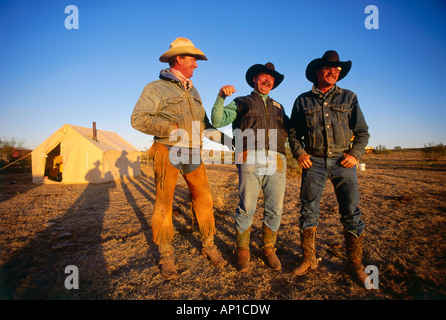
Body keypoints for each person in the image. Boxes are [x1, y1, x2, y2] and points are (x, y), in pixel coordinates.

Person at [131, 37, 230, 280]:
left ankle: (209, 245)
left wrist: (232, 142)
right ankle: (166, 254)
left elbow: (205, 126)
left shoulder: (193, 91)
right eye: (193, 59)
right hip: (168, 150)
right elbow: (138, 119)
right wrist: (169, 127)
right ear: (179, 59)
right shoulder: (154, 88)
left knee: (204, 198)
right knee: (164, 202)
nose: (196, 65)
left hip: (193, 151)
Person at [289, 50, 370, 285]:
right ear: (317, 71)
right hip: (313, 163)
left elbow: (362, 131)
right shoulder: (302, 101)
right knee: (308, 211)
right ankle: (309, 258)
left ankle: (354, 263)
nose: (333, 71)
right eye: (327, 67)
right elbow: (294, 133)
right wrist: (300, 152)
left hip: (343, 163)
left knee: (351, 212)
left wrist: (355, 154)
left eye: (337, 68)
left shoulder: (349, 97)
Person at [212, 62, 294, 272]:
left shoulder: (279, 107)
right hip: (250, 157)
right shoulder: (242, 102)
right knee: (247, 206)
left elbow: (292, 130)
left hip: (277, 160)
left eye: (271, 78)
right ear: (254, 79)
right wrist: (221, 96)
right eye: (264, 76)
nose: (268, 80)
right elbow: (217, 120)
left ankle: (268, 248)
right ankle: (243, 251)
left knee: (275, 209)